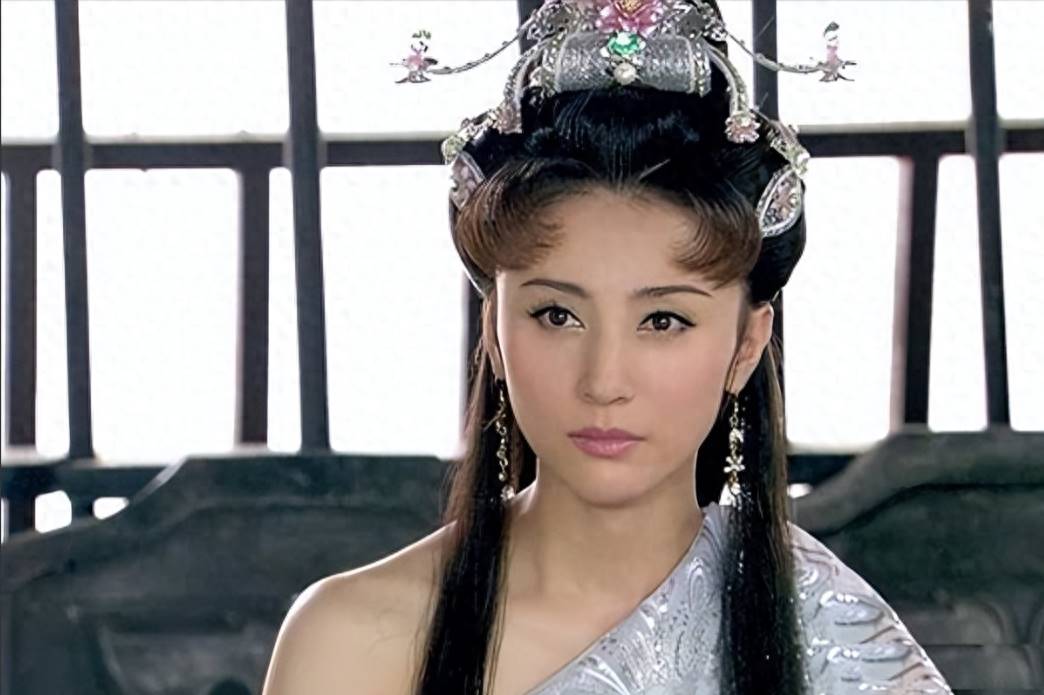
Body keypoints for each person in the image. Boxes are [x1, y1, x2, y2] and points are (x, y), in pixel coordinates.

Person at [263, 1, 953, 693]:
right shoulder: (350, 642)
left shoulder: (836, 637)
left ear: (747, 344)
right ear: (494, 331)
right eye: (557, 314)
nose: (604, 380)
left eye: (664, 321)